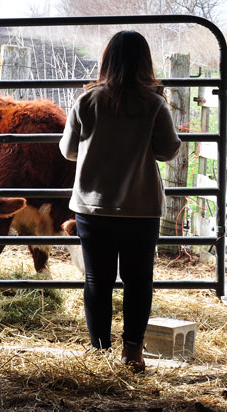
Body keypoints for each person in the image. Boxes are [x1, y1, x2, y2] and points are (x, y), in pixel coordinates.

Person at [59, 30, 182, 372]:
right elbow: (169, 151)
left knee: (98, 279)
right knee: (138, 279)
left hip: (93, 207)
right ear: (146, 62)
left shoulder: (86, 100)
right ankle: (133, 352)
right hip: (140, 207)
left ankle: (98, 350)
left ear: (107, 60)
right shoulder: (154, 104)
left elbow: (67, 151)